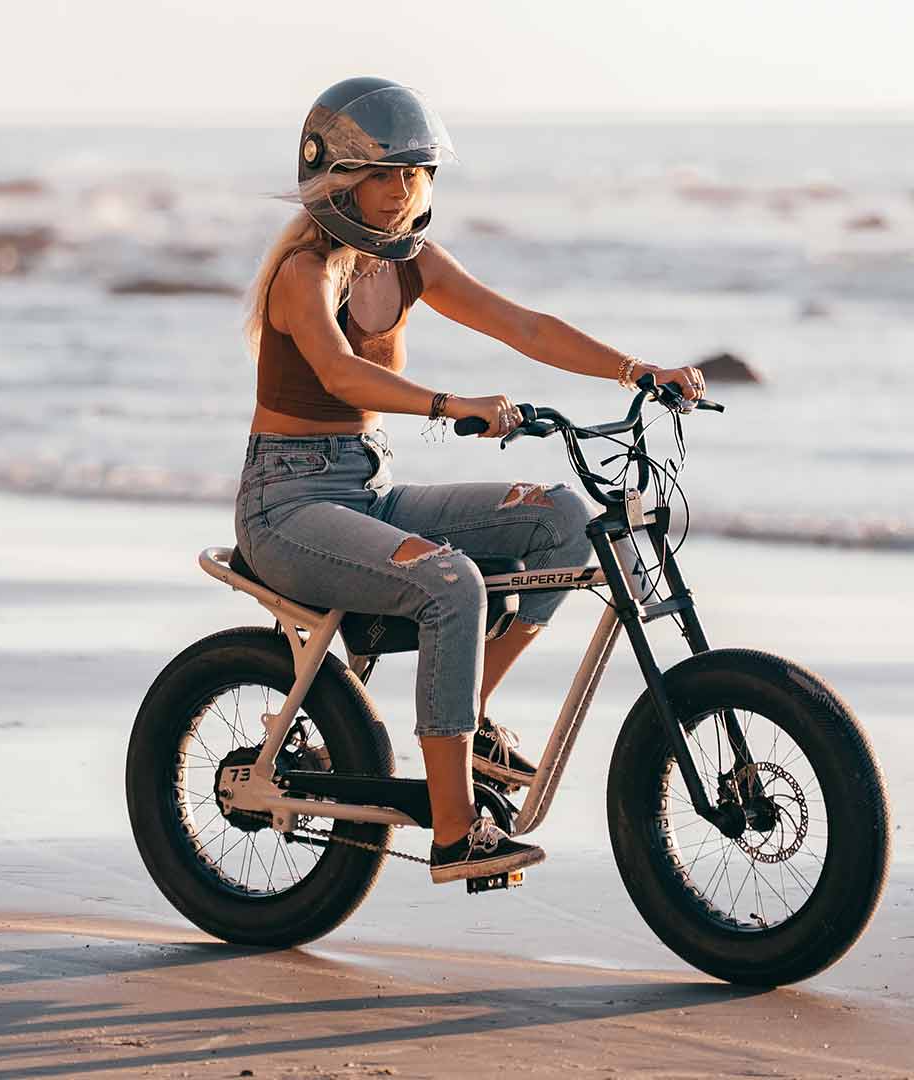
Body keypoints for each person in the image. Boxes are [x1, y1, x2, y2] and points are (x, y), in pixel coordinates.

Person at [235, 77, 706, 884]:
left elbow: (522, 325)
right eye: (382, 175)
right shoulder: (303, 273)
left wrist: (638, 371)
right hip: (289, 504)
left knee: (560, 517)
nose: (399, 193)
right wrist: (451, 404)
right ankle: (455, 832)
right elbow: (341, 375)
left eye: (413, 176)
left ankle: (469, 711)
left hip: (366, 487)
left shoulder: (410, 262)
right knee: (452, 583)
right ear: (338, 180)